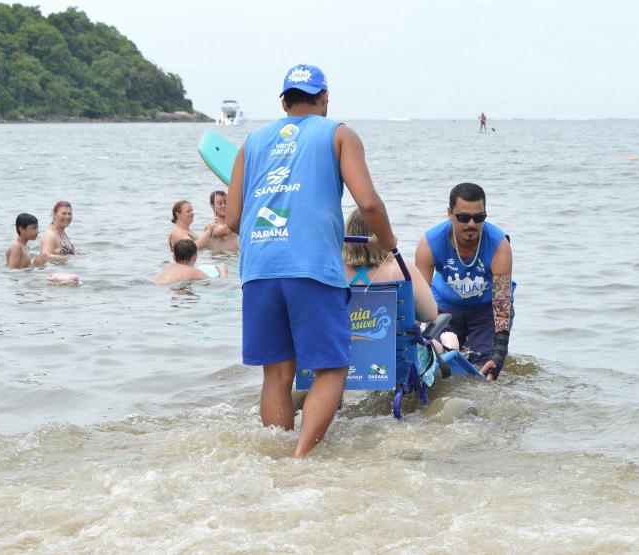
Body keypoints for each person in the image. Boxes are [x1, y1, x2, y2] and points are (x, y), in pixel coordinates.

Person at [226, 63, 397, 457]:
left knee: (277, 372)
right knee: (332, 368)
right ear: (324, 99)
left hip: (259, 269)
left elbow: (233, 219)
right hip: (311, 266)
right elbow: (367, 202)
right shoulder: (338, 133)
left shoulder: (251, 143)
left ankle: (277, 455)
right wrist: (386, 239)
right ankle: (301, 456)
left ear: (284, 101)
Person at [415, 182, 513, 381]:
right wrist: (412, 337)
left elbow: (502, 303)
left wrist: (499, 353)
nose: (471, 224)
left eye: (479, 218)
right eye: (463, 217)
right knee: (438, 356)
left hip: (486, 310)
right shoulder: (430, 242)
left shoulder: (499, 245)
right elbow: (419, 297)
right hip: (444, 308)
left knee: (482, 369)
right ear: (450, 213)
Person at [342, 208, 436, 323]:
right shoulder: (402, 268)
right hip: (397, 341)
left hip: (345, 340)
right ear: (385, 234)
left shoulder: (333, 269)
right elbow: (429, 315)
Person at [155, 239, 228, 284]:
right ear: (195, 257)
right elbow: (220, 284)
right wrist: (222, 270)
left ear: (174, 257)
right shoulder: (192, 271)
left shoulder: (166, 267)